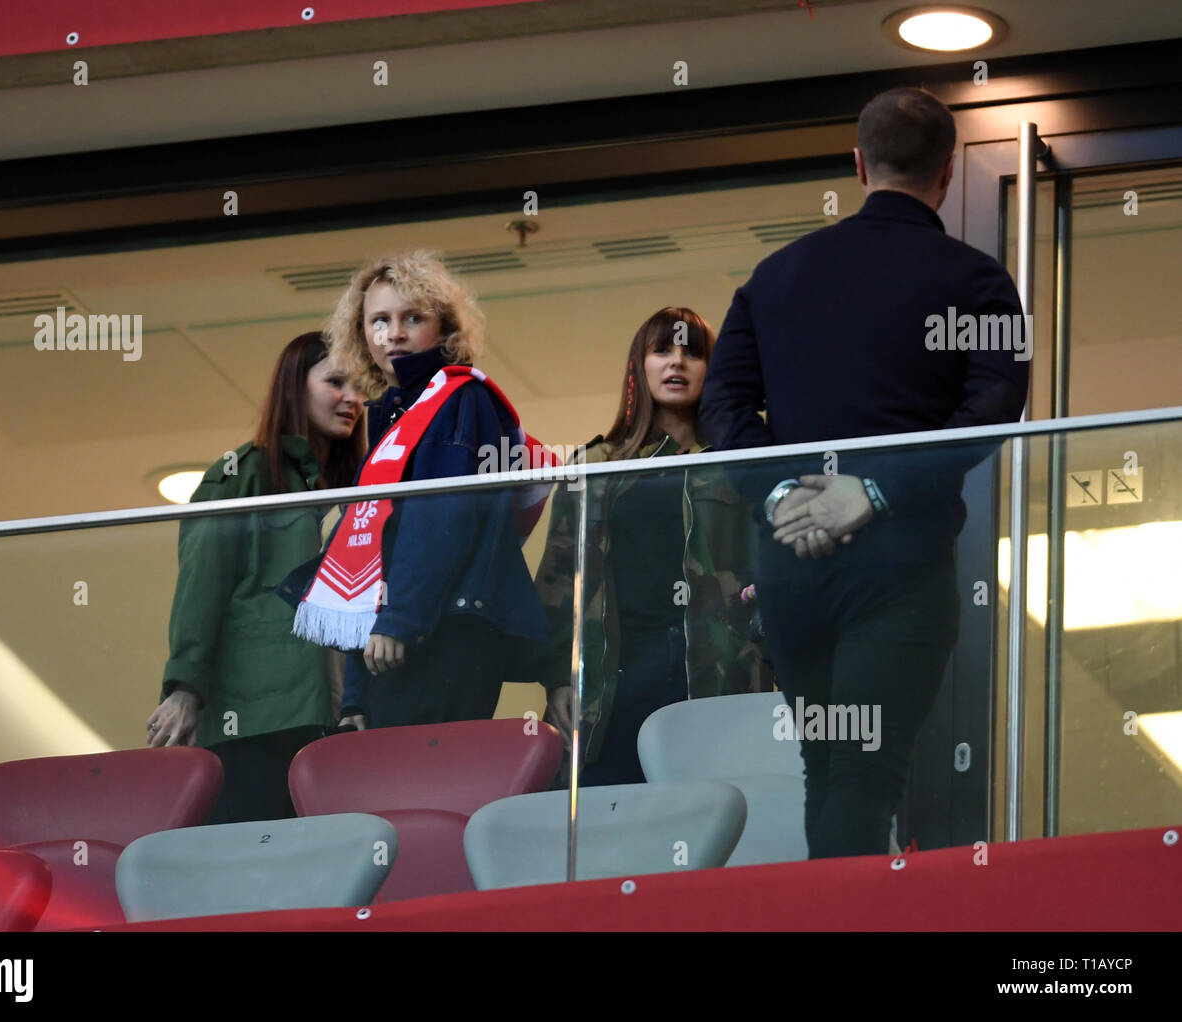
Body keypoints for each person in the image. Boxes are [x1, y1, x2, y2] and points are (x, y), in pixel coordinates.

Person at [699, 87, 1030, 858]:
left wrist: (783, 496)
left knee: (829, 769)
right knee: (867, 774)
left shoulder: (775, 277)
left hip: (789, 570)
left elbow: (725, 408)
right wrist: (875, 491)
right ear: (947, 174)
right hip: (902, 565)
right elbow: (997, 403)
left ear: (857, 164)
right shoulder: (977, 281)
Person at [280, 252, 550, 730]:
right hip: (406, 631)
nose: (394, 333)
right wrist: (356, 700)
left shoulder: (459, 397)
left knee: (426, 790)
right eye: (379, 320)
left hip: (444, 631)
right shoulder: (391, 414)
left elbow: (442, 520)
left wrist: (400, 621)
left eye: (413, 318)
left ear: (444, 330)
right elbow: (370, 556)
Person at [533, 307, 760, 787]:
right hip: (611, 676)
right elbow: (557, 584)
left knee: (716, 818)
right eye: (663, 350)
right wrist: (557, 678)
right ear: (640, 365)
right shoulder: (596, 464)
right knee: (608, 825)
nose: (677, 362)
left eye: (692, 353)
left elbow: (769, 570)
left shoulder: (740, 460)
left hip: (716, 673)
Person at [147, 331, 366, 825]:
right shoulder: (242, 476)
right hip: (256, 717)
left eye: (359, 386)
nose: (353, 397)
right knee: (257, 862)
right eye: (335, 381)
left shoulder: (365, 488)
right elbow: (202, 587)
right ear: (294, 387)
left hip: (339, 719)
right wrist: (185, 688)